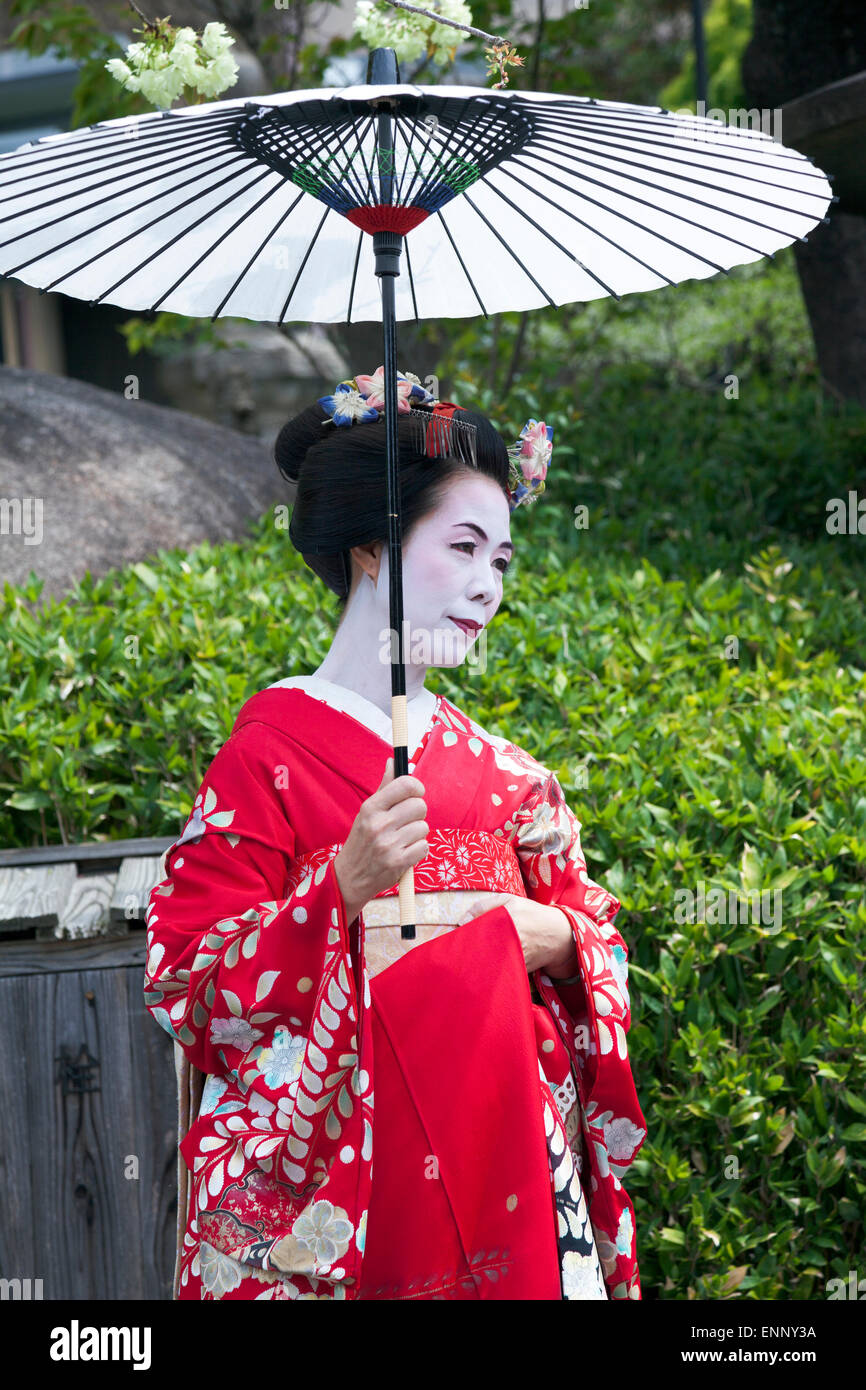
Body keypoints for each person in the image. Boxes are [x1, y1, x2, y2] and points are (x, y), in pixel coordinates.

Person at [144, 367, 647, 1301]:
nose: (488, 584)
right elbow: (188, 979)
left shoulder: (510, 776)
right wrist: (337, 888)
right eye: (462, 547)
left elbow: (596, 936)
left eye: (501, 559)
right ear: (373, 544)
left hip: (503, 1149)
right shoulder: (265, 757)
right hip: (349, 1184)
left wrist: (559, 939)